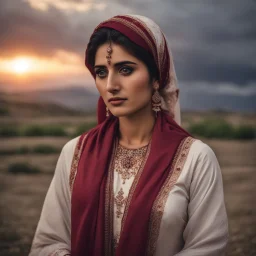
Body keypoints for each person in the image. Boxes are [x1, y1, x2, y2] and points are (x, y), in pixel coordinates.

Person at [29, 15, 229, 256]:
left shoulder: (196, 158)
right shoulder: (75, 152)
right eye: (101, 73)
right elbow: (48, 243)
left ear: (156, 78)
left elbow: (207, 248)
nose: (111, 84)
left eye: (125, 69)